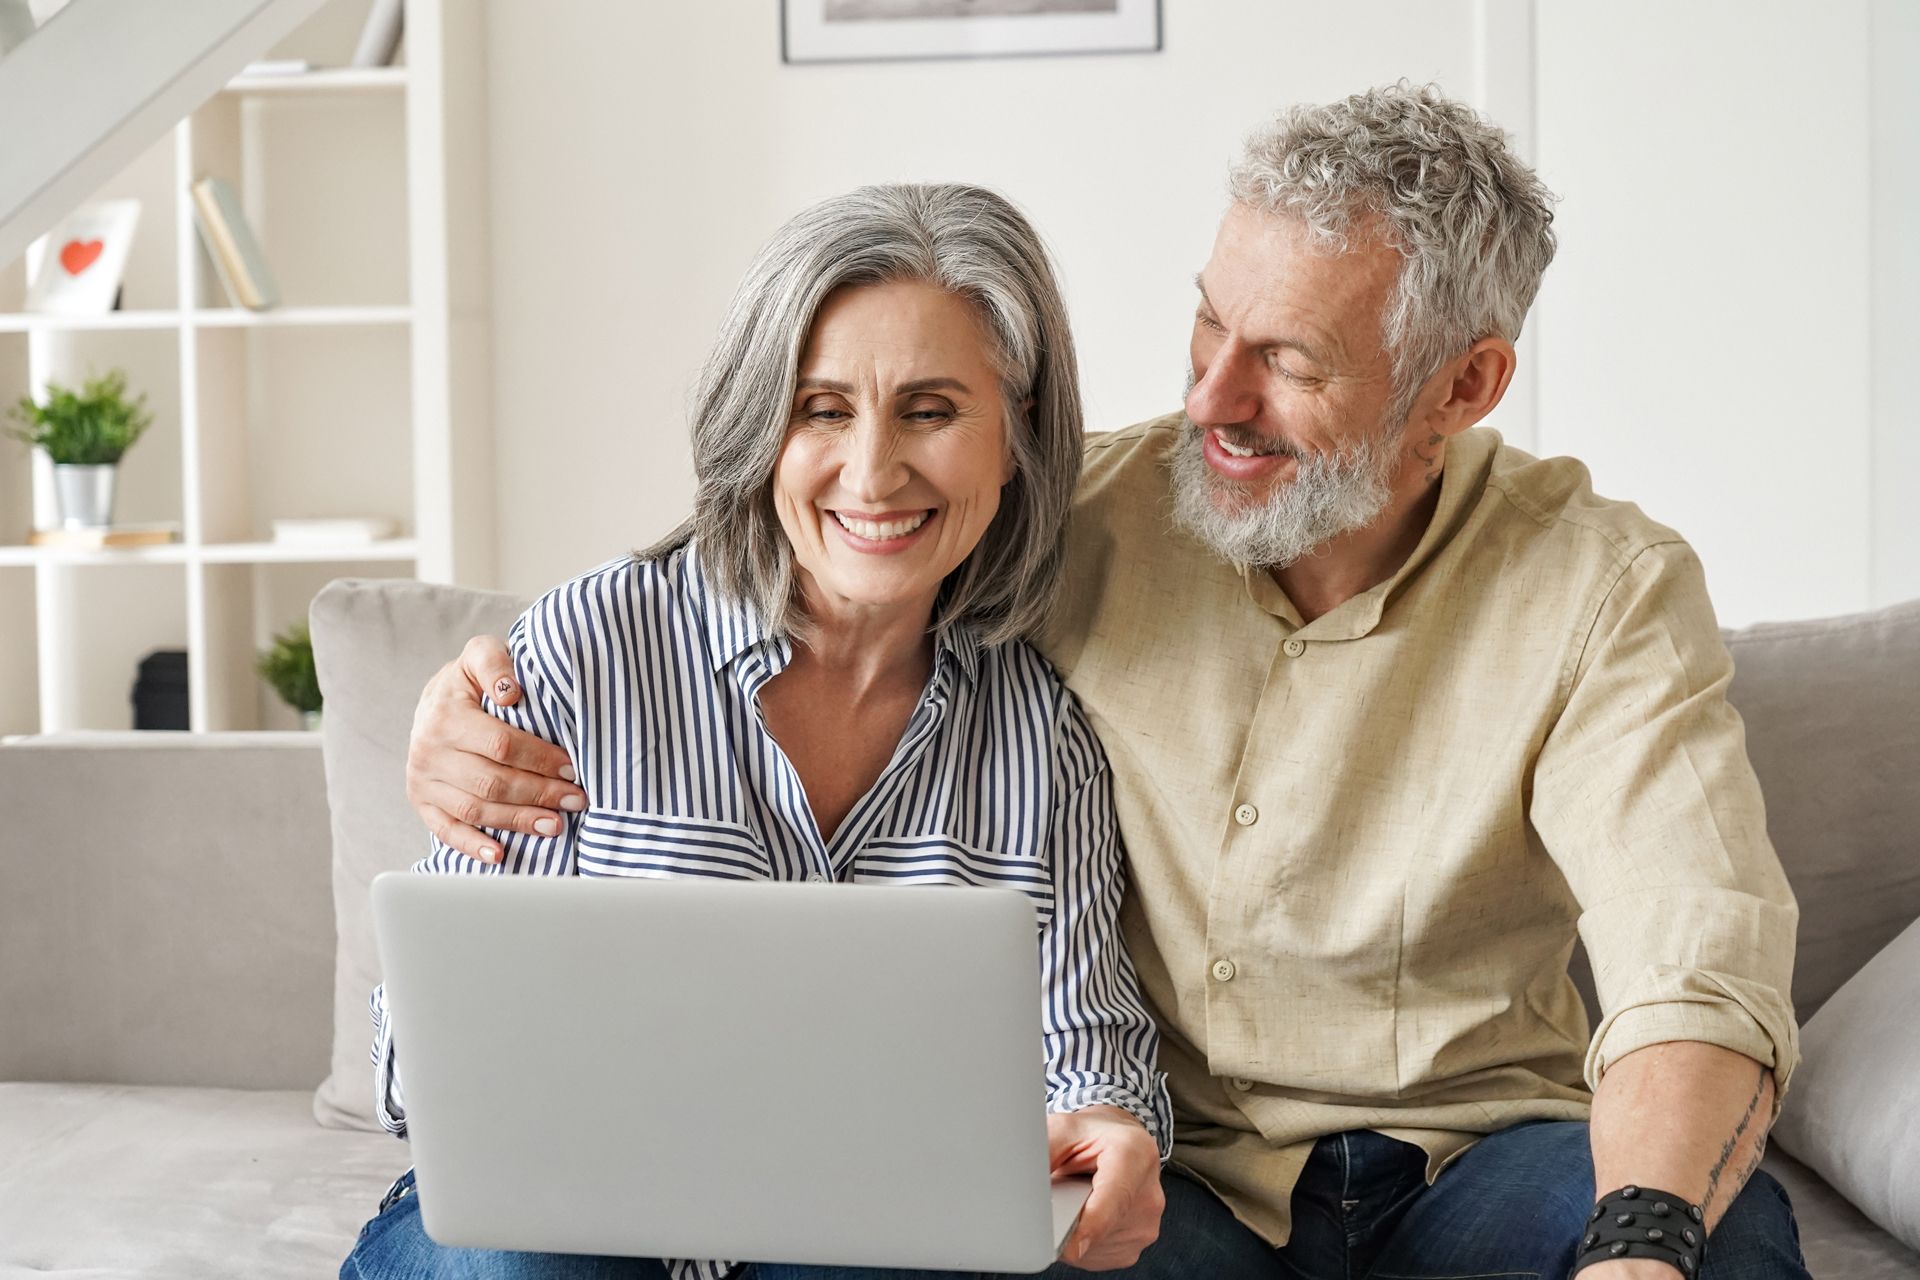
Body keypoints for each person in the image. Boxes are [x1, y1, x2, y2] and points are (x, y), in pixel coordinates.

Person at [409, 85, 1811, 1278]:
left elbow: (1692, 955)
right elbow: (801, 524)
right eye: (1209, 328)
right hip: (1184, 1188)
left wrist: (1640, 1234)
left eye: (1287, 361)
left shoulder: (1602, 587)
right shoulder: (1072, 511)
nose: (1209, 400)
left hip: (1475, 1167)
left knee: (1726, 1242)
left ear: (1463, 385)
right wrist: (467, 710)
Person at [342, 183, 1174, 1280]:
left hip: (847, 1244)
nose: (872, 472)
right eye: (823, 409)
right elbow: (419, 1053)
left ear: (1014, 442)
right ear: (761, 428)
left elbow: (1082, 1050)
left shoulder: (1037, 733)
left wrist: (1112, 1129)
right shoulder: (592, 647)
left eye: (930, 410)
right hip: (556, 1235)